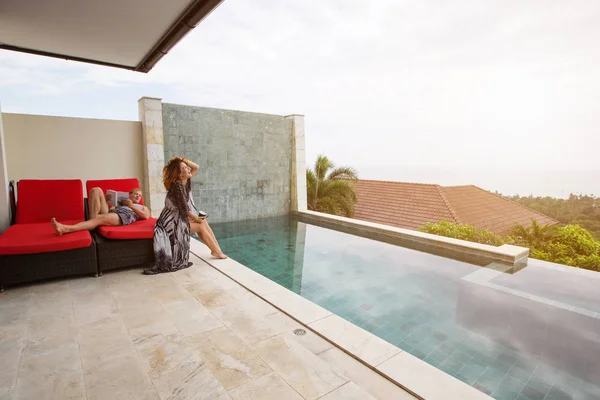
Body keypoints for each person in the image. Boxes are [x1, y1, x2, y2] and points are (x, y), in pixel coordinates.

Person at [143, 157, 227, 275]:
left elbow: (196, 167)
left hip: (176, 218)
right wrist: (196, 219)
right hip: (170, 223)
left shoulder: (184, 182)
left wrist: (182, 160)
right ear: (179, 173)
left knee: (204, 222)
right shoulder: (178, 185)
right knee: (200, 226)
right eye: (184, 168)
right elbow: (184, 209)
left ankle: (217, 250)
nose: (188, 169)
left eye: (187, 167)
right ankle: (216, 251)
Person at [51, 188, 150, 235]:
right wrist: (106, 201)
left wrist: (131, 205)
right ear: (130, 195)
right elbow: (110, 211)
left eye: (139, 196)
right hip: (113, 213)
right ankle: (92, 223)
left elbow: (145, 216)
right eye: (135, 194)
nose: (138, 196)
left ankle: (66, 229)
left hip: (124, 216)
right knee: (96, 190)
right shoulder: (122, 201)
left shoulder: (142, 206)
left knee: (100, 218)